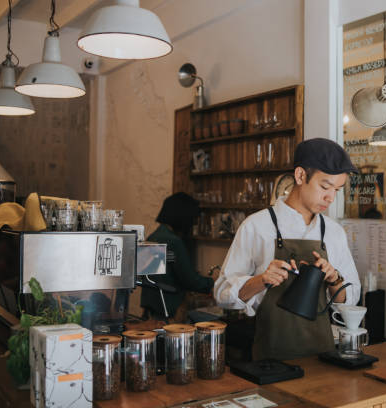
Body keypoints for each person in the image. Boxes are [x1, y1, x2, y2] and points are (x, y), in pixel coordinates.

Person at [214, 138, 362, 361]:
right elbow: (222, 294)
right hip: (270, 358)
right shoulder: (257, 226)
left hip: (323, 357)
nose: (330, 198)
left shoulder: (333, 232)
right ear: (301, 176)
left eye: (337, 190)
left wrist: (334, 279)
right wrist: (262, 279)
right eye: (325, 186)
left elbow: (347, 303)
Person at [141, 192, 215, 320]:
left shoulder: (154, 237)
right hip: (168, 310)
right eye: (193, 219)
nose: (193, 224)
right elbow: (189, 280)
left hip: (150, 310)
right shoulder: (173, 241)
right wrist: (214, 282)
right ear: (183, 217)